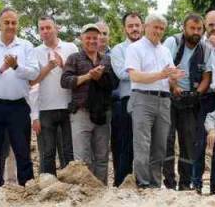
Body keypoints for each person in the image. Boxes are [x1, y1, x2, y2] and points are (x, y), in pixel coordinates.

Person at [0, 7, 40, 196]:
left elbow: (34, 72)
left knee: (22, 150)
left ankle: (27, 191)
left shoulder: (26, 46)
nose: (11, 26)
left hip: (18, 105)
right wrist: (2, 68)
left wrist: (17, 66)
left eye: (14, 22)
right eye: (7, 22)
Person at [121, 12, 183, 189]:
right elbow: (135, 76)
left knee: (160, 145)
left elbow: (169, 79)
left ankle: (155, 185)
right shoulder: (135, 48)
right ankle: (143, 183)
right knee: (142, 144)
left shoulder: (164, 50)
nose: (158, 31)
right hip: (142, 98)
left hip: (163, 100)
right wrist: (161, 74)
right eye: (155, 27)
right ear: (146, 27)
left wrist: (173, 78)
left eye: (162, 28)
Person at [62, 23, 120, 182]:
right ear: (82, 39)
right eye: (88, 37)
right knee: (82, 160)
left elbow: (114, 83)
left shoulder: (107, 60)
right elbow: (65, 81)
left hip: (103, 113)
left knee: (102, 158)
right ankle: (85, 193)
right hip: (81, 113)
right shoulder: (74, 58)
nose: (92, 41)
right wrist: (88, 76)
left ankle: (100, 192)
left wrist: (101, 77)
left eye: (95, 37)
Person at [163, 13, 215, 190]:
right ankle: (169, 182)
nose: (196, 32)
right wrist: (174, 87)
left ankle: (185, 184)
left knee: (188, 141)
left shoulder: (206, 48)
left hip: (191, 100)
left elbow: (208, 76)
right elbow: (165, 68)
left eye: (199, 29)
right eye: (192, 28)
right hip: (170, 97)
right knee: (168, 140)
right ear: (184, 28)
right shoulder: (173, 42)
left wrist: (196, 94)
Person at [30, 16, 78, 175]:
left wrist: (63, 65)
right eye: (41, 28)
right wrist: (49, 66)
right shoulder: (35, 52)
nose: (45, 31)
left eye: (48, 27)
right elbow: (32, 82)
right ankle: (48, 187)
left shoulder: (71, 48)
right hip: (45, 108)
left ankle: (70, 186)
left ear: (56, 28)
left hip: (68, 107)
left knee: (69, 152)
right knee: (47, 153)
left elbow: (77, 75)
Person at [108, 12, 143, 186]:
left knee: (145, 145)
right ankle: (121, 184)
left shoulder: (152, 47)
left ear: (142, 26)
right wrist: (147, 73)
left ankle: (143, 184)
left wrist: (138, 73)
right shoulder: (118, 49)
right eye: (130, 26)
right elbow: (122, 73)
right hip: (127, 100)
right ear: (124, 29)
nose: (134, 29)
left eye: (137, 25)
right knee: (124, 145)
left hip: (147, 100)